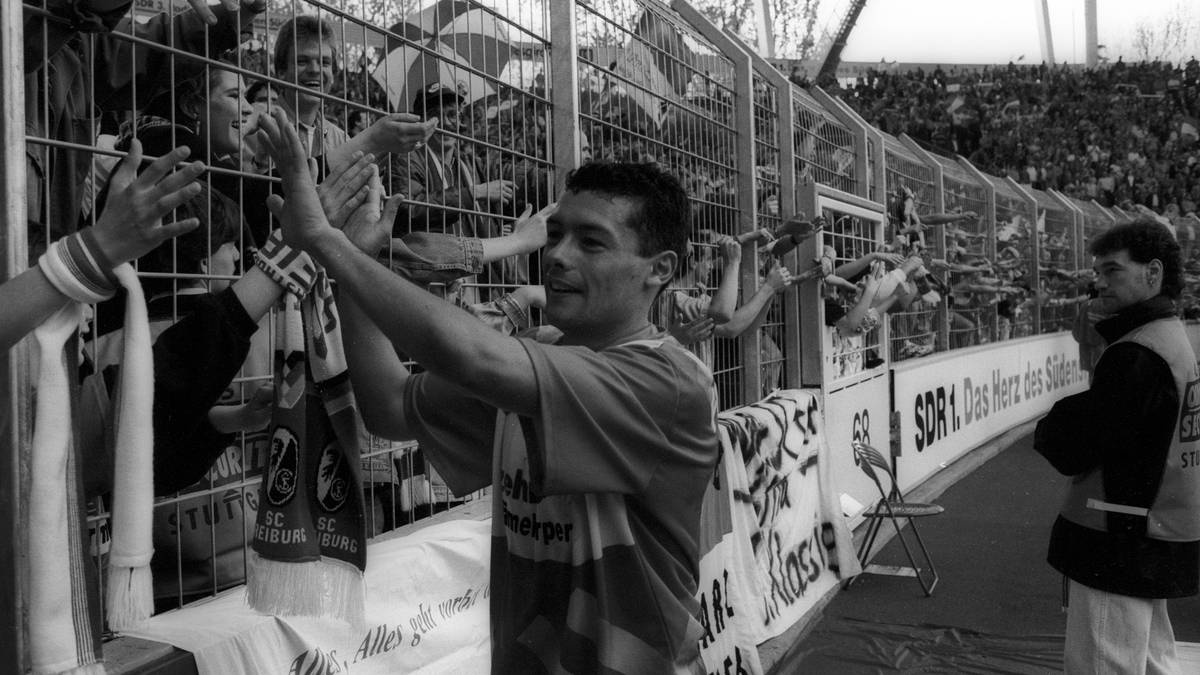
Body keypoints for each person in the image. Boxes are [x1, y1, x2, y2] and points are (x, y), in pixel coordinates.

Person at [256, 106, 718, 673]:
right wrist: (355, 269)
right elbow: (392, 407)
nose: (557, 256)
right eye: (555, 236)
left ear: (660, 269)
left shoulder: (666, 381)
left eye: (591, 243)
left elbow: (471, 356)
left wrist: (330, 246)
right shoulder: (539, 353)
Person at [1034, 218, 1200, 674]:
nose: (1099, 282)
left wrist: (1053, 424)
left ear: (1153, 272)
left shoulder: (1139, 351)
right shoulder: (1169, 335)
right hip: (1156, 529)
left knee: (1103, 662)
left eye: (1113, 271)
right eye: (1099, 272)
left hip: (1119, 534)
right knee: (1151, 658)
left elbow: (1073, 445)